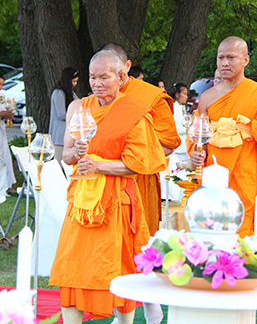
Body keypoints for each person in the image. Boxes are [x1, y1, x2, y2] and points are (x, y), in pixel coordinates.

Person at [49, 50, 165, 324]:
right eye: (92, 77)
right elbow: (66, 157)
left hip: (116, 202)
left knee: (118, 264)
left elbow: (137, 164)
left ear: (121, 77)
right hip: (81, 203)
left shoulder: (134, 112)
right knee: (72, 264)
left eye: (104, 77)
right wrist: (76, 152)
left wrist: (99, 165)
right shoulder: (78, 107)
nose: (97, 83)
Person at [190, 36, 257, 236]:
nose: (224, 63)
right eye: (220, 57)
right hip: (212, 185)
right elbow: (199, 143)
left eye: (231, 57)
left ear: (245, 60)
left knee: (243, 250)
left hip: (246, 185)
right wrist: (196, 156)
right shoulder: (206, 97)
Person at [100, 43, 180, 236]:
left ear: (126, 66)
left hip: (138, 182)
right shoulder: (96, 98)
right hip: (101, 182)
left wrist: (133, 159)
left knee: (137, 244)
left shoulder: (150, 96)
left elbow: (168, 143)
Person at [49, 67, 79, 161]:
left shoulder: (71, 93)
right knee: (59, 164)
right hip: (59, 136)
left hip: (68, 135)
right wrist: (76, 116)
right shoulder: (58, 93)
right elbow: (62, 115)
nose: (75, 84)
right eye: (73, 81)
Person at [169, 83, 189, 154]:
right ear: (177, 94)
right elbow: (175, 128)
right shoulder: (173, 107)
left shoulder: (182, 107)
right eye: (184, 94)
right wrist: (188, 129)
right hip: (178, 144)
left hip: (184, 143)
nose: (186, 97)